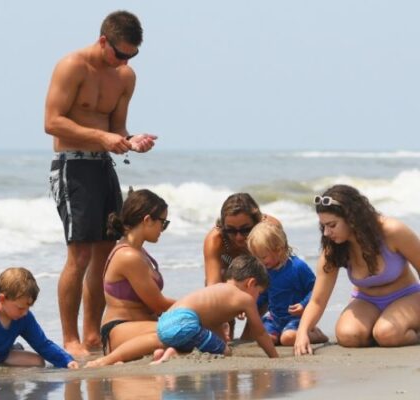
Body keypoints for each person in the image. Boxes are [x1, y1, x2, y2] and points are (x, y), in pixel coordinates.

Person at [44, 10, 157, 356]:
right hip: (71, 166)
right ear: (103, 40)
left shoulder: (125, 77)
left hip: (104, 165)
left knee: (105, 254)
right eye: (119, 53)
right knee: (78, 255)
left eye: (131, 55)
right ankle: (71, 339)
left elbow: (118, 129)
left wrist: (131, 140)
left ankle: (93, 336)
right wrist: (102, 137)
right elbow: (52, 122)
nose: (123, 61)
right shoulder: (72, 66)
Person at [85, 255, 278, 367]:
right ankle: (174, 354)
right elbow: (259, 332)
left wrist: (219, 339)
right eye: (258, 292)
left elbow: (213, 324)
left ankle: (109, 359)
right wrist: (274, 358)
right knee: (225, 352)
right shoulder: (243, 297)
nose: (256, 297)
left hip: (168, 319)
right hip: (186, 322)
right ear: (251, 283)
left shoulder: (218, 290)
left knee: (178, 339)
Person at [294, 184, 420, 356]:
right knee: (348, 336)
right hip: (366, 300)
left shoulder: (392, 231)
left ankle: (400, 332)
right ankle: (380, 330)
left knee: (388, 334)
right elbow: (317, 300)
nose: (326, 233)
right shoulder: (334, 248)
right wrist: (302, 333)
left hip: (407, 296)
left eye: (332, 225)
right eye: (323, 226)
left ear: (352, 218)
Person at [100, 188, 176, 356]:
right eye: (163, 223)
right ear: (148, 220)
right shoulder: (128, 256)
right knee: (186, 330)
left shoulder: (140, 252)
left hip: (143, 327)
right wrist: (198, 306)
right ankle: (112, 359)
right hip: (120, 329)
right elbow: (158, 304)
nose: (162, 229)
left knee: (192, 328)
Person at [203, 193, 280, 338]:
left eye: (245, 229)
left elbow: (278, 274)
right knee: (224, 334)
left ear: (257, 222)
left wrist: (249, 301)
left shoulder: (270, 229)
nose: (238, 237)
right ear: (222, 226)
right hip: (229, 280)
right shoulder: (216, 239)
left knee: (248, 338)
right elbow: (212, 286)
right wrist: (221, 317)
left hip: (263, 282)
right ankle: (229, 324)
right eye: (231, 230)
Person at [246, 222, 328, 346]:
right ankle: (279, 334)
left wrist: (303, 304)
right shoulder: (265, 271)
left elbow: (316, 289)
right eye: (256, 258)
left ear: (279, 250)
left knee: (288, 339)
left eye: (263, 257)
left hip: (297, 318)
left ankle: (315, 334)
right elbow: (262, 295)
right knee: (264, 338)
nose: (260, 262)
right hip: (275, 318)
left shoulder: (298, 267)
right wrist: (247, 306)